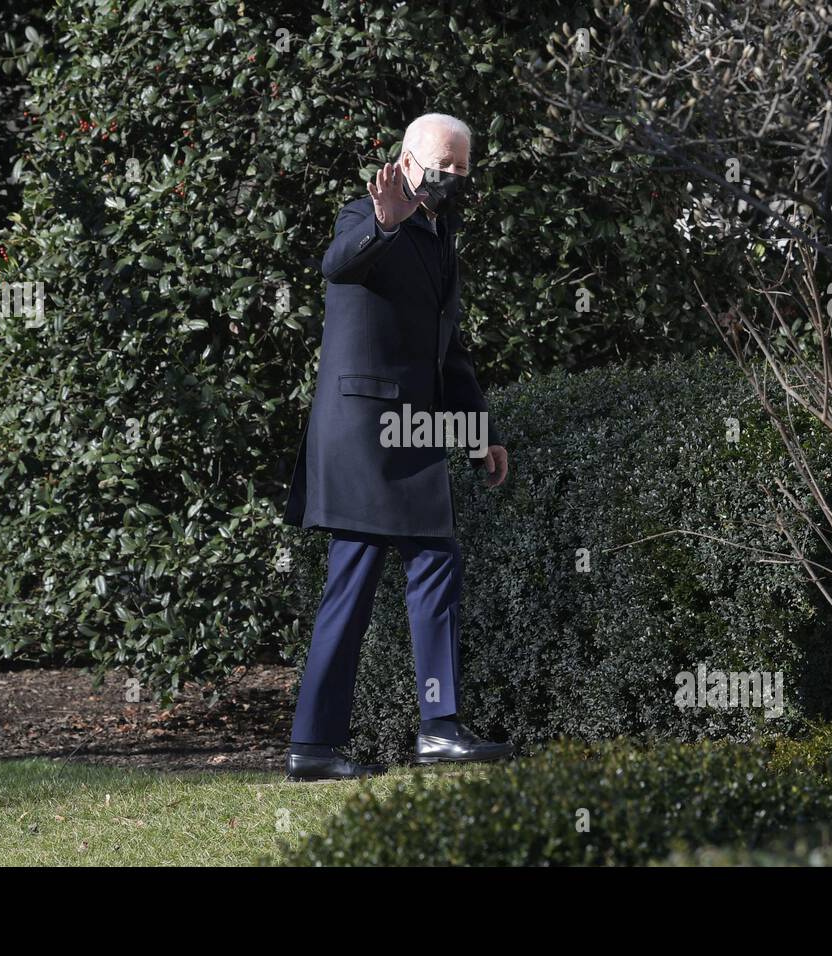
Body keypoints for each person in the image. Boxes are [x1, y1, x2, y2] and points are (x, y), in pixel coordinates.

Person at [282, 112, 513, 781]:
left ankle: (432, 728)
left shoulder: (442, 239)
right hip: (363, 438)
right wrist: (383, 224)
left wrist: (480, 435)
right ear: (408, 162)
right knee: (352, 587)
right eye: (443, 171)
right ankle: (316, 746)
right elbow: (338, 263)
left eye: (462, 173)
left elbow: (450, 353)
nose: (452, 184)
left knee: (434, 564)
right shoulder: (366, 214)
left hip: (416, 438)